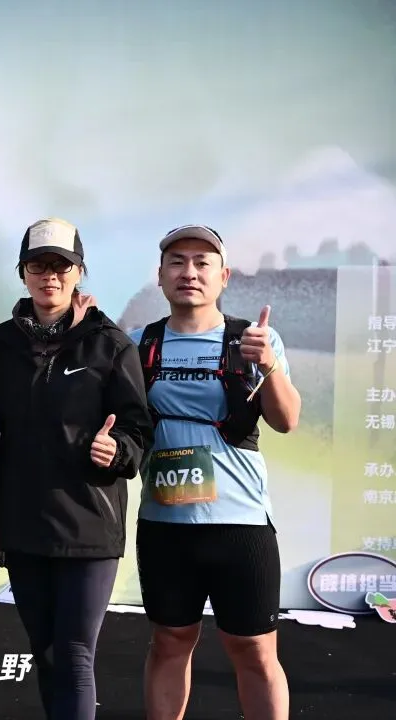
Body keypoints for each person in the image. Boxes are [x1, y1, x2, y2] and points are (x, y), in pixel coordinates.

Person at [0, 218, 153, 720]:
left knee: (75, 655)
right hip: (23, 527)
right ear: (23, 273)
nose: (49, 276)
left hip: (88, 524)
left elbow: (139, 429)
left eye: (61, 265)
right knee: (46, 652)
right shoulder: (0, 347)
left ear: (79, 272)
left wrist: (117, 449)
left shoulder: (110, 344)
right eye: (38, 265)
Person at [129, 225, 300, 720]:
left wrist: (268, 365)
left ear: (223, 277)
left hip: (240, 524)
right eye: (177, 262)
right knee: (170, 640)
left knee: (254, 649)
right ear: (161, 275)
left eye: (203, 263)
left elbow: (287, 421)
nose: (190, 272)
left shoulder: (254, 340)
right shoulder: (138, 345)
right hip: (165, 524)